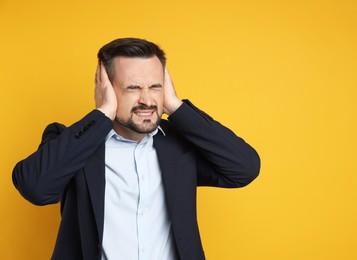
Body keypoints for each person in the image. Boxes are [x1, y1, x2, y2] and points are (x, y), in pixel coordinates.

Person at [12, 37, 260, 260]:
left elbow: (244, 169)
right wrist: (102, 113)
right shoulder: (71, 142)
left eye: (155, 86)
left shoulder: (181, 145)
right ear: (105, 88)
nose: (147, 100)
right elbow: (35, 188)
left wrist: (174, 105)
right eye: (133, 88)